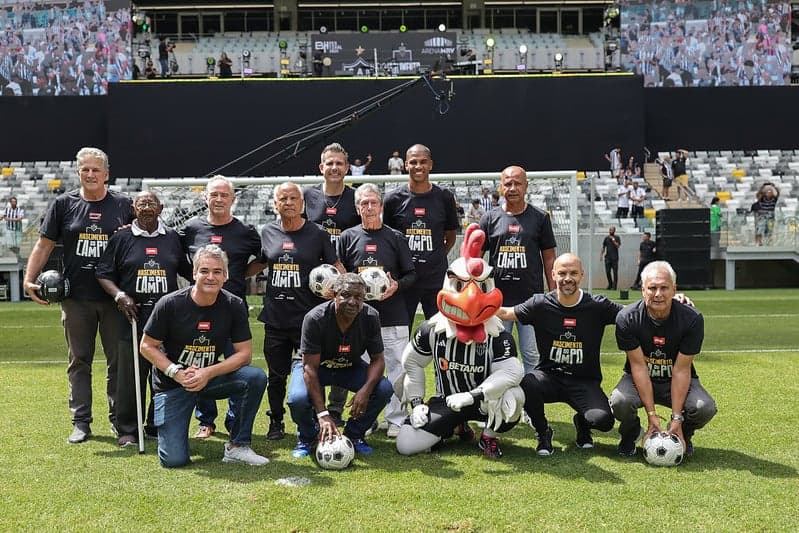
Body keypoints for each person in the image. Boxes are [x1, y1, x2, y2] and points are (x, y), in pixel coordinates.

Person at [23, 147, 134, 444]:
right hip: (76, 298)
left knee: (118, 364)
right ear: (78, 172)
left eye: (96, 169)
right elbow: (44, 245)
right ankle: (81, 422)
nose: (90, 174)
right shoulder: (63, 204)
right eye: (85, 169)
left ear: (107, 174)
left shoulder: (124, 204)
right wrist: (28, 278)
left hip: (114, 299)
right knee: (79, 361)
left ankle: (122, 425)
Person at [396, 224, 525, 458]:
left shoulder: (498, 335)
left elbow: (511, 374)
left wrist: (472, 396)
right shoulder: (431, 329)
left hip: (484, 401)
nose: (472, 296)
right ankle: (454, 426)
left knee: (514, 396)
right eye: (460, 285)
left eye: (481, 286)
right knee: (406, 444)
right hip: (447, 401)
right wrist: (416, 405)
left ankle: (489, 438)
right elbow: (411, 362)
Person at [139, 245, 269, 467]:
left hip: (208, 379)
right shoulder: (170, 303)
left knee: (254, 377)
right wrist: (176, 372)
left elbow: (244, 354)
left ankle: (238, 446)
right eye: (204, 271)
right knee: (173, 460)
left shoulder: (234, 304)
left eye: (217, 272)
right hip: (173, 383)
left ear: (226, 276)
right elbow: (146, 346)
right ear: (194, 273)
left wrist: (208, 372)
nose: (210, 277)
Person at [496, 253, 619, 456]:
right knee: (528, 383)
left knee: (603, 421)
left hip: (584, 382)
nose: (567, 278)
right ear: (553, 275)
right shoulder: (540, 304)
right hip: (549, 377)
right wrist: (477, 305)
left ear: (581, 275)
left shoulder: (597, 306)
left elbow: (631, 313)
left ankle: (583, 422)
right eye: (562, 273)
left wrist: (671, 300)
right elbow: (507, 313)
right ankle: (543, 431)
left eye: (573, 273)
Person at [95, 191, 193, 446]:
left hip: (167, 322)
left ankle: (156, 423)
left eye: (152, 203)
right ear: (133, 208)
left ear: (161, 208)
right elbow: (103, 273)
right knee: (130, 376)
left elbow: (187, 270)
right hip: (132, 319)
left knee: (165, 375)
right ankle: (127, 428)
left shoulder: (171, 237)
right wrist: (119, 296)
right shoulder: (121, 237)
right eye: (142, 204)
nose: (147, 207)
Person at [251, 182, 342, 442]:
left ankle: (317, 418)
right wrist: (231, 275)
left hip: (308, 321)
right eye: (283, 198)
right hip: (275, 319)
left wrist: (342, 289)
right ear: (275, 204)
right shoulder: (267, 231)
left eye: (293, 198)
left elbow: (335, 266)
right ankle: (276, 421)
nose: (288, 202)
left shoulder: (318, 233)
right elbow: (260, 261)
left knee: (312, 373)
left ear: (302, 204)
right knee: (276, 376)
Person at [179, 175, 262, 440]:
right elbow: (176, 256)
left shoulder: (246, 232)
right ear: (205, 197)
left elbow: (263, 259)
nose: (218, 199)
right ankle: (206, 421)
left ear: (233, 199)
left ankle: (235, 421)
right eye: (213, 194)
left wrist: (237, 275)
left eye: (224, 195)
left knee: (238, 368)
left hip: (232, 311)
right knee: (199, 360)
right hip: (199, 311)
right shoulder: (190, 228)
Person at [609, 261, 717, 457]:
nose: (658, 293)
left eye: (664, 288)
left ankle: (682, 432)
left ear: (674, 289)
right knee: (620, 401)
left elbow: (681, 369)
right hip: (639, 378)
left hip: (676, 379)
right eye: (652, 288)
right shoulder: (627, 318)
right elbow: (639, 366)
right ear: (643, 290)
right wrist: (651, 415)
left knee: (704, 408)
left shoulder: (691, 319)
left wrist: (676, 417)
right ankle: (631, 432)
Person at [337, 184, 416, 437]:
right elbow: (341, 277)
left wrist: (397, 286)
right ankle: (367, 417)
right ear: (357, 207)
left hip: (393, 315)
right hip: (357, 318)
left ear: (381, 206)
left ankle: (396, 418)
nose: (369, 207)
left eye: (373, 202)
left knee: (396, 368)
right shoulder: (347, 237)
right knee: (361, 368)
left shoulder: (395, 238)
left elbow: (412, 275)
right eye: (364, 203)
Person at [286, 273, 393, 457]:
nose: (352, 302)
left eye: (358, 297)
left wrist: (365, 391)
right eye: (346, 295)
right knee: (297, 398)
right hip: (315, 368)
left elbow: (378, 359)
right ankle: (308, 436)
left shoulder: (370, 316)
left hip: (348, 366)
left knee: (383, 388)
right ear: (334, 294)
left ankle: (354, 434)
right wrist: (323, 414)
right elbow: (309, 368)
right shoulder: (315, 318)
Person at [303, 142, 360, 426]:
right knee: (316, 346)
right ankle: (317, 407)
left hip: (346, 287)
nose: (335, 168)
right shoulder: (307, 197)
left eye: (340, 163)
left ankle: (335, 410)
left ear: (347, 168)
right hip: (315, 287)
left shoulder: (356, 199)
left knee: (343, 345)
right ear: (321, 167)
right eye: (330, 163)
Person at [480, 165, 557, 374]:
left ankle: (532, 401)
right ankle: (497, 402)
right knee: (496, 353)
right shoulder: (489, 219)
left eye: (517, 183)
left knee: (531, 353)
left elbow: (549, 257)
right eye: (508, 184)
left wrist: (553, 294)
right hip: (497, 301)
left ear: (526, 186)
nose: (513, 188)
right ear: (501, 187)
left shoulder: (540, 218)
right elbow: (476, 258)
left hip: (530, 301)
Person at [383, 144, 459, 327]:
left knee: (440, 332)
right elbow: (388, 239)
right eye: (414, 162)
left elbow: (450, 236)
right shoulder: (393, 199)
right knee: (400, 334)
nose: (419, 166)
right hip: (404, 280)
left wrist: (435, 256)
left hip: (435, 279)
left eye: (423, 162)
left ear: (431, 164)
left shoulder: (444, 197)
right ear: (405, 165)